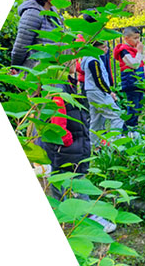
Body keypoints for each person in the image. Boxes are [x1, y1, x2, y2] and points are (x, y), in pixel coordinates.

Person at [38, 62, 116, 233]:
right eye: (75, 58)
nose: (78, 63)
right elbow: (58, 119)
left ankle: (62, 211)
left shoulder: (58, 82)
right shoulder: (60, 88)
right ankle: (89, 217)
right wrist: (66, 140)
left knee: (58, 175)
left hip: (59, 146)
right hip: (67, 145)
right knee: (76, 178)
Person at [11, 0, 64, 71]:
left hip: (53, 72)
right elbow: (20, 47)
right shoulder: (32, 13)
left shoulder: (54, 14)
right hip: (35, 72)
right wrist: (15, 68)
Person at [81, 41, 126, 145]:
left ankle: (93, 145)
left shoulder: (92, 59)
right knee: (117, 116)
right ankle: (115, 144)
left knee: (96, 120)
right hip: (98, 91)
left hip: (92, 91)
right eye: (103, 47)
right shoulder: (93, 61)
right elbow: (99, 79)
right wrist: (109, 92)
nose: (106, 49)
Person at [113, 27, 145, 129]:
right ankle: (128, 130)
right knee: (133, 108)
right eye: (135, 38)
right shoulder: (124, 50)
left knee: (139, 108)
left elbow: (142, 64)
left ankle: (134, 129)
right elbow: (134, 64)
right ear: (126, 38)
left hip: (139, 82)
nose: (138, 41)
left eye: (138, 38)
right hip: (130, 82)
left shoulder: (135, 49)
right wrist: (139, 51)